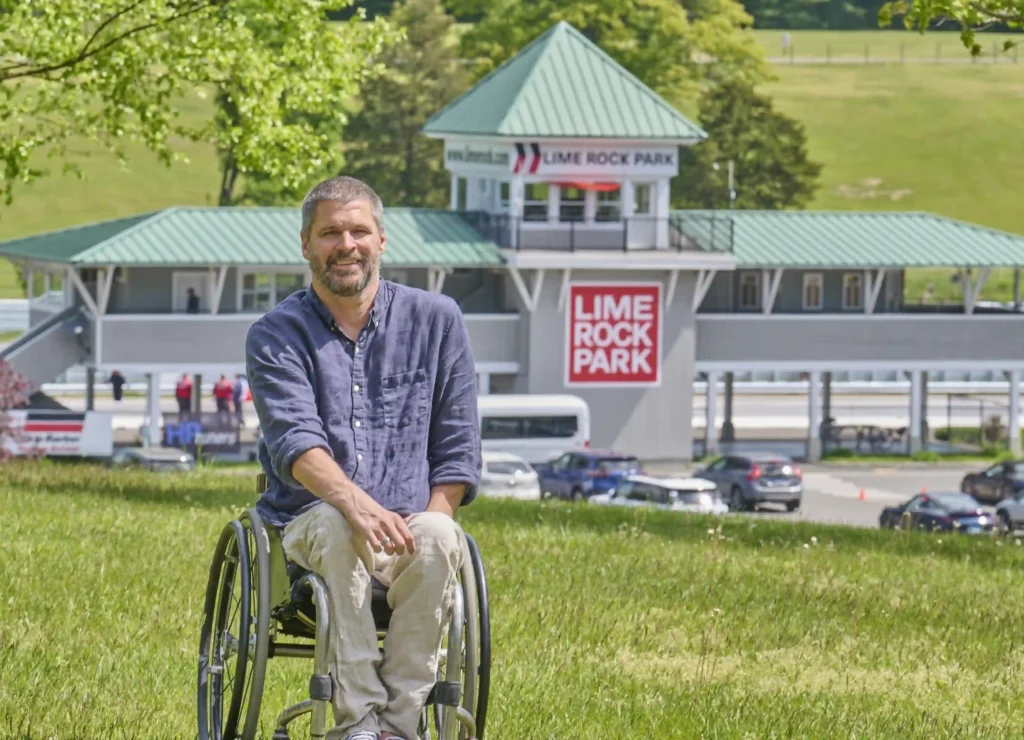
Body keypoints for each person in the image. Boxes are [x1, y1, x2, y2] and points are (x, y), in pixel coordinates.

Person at [246, 175, 481, 740]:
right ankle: (356, 722)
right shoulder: (275, 335)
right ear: (306, 244)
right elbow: (295, 443)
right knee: (334, 519)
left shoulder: (437, 320)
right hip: (309, 529)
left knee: (443, 537)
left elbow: (457, 447)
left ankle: (400, 725)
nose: (345, 245)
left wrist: (431, 533)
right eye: (330, 233)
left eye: (358, 231)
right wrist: (356, 506)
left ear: (380, 239)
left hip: (405, 529)